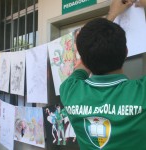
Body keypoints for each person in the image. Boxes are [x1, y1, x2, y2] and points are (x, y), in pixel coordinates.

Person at [60, 0, 146, 149]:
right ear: (126, 52)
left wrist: (111, 15)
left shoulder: (69, 90)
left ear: (82, 56)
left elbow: (86, 58)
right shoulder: (141, 93)